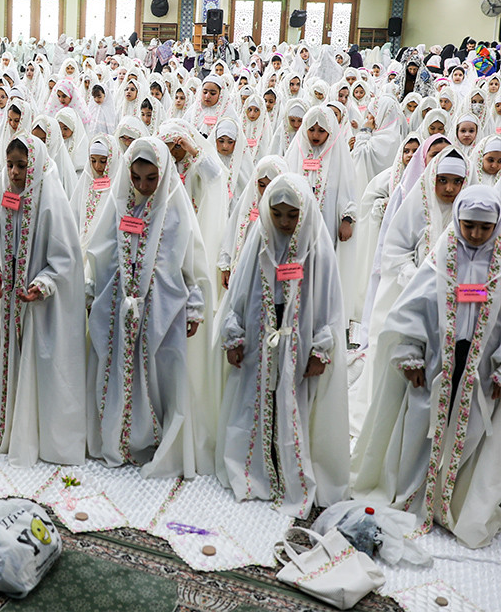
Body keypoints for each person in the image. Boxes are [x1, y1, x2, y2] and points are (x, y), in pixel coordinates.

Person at [352, 186, 501, 548]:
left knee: (468, 431)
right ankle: (414, 493)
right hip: (436, 360)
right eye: (468, 225)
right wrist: (410, 353)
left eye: (485, 227)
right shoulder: (442, 257)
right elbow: (410, 308)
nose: (475, 234)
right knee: (424, 427)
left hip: (479, 366)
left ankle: (449, 501)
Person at [214, 174, 350, 517]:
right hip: (260, 331)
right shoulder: (260, 238)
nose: (285, 223)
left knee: (293, 400)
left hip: (298, 336)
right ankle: (255, 466)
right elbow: (239, 293)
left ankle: (288, 466)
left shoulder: (316, 245)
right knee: (256, 395)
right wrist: (234, 334)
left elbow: (329, 303)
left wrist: (321, 348)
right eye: (277, 215)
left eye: (292, 215)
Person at [86, 137, 208, 476]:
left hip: (162, 309)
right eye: (136, 178)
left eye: (151, 179)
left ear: (163, 174)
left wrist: (194, 306)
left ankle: (153, 439)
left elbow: (189, 263)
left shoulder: (174, 207)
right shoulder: (119, 202)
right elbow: (101, 251)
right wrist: (94, 292)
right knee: (119, 371)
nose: (142, 186)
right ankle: (118, 436)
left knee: (158, 374)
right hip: (119, 306)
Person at [0, 134, 86, 467]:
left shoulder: (51, 201)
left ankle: (32, 434)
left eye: (22, 166)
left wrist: (42, 284)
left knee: (38, 368)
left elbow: (65, 258)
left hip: (37, 308)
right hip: (7, 305)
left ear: (34, 165)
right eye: (10, 165)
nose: (15, 173)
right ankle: (5, 429)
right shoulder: (2, 194)